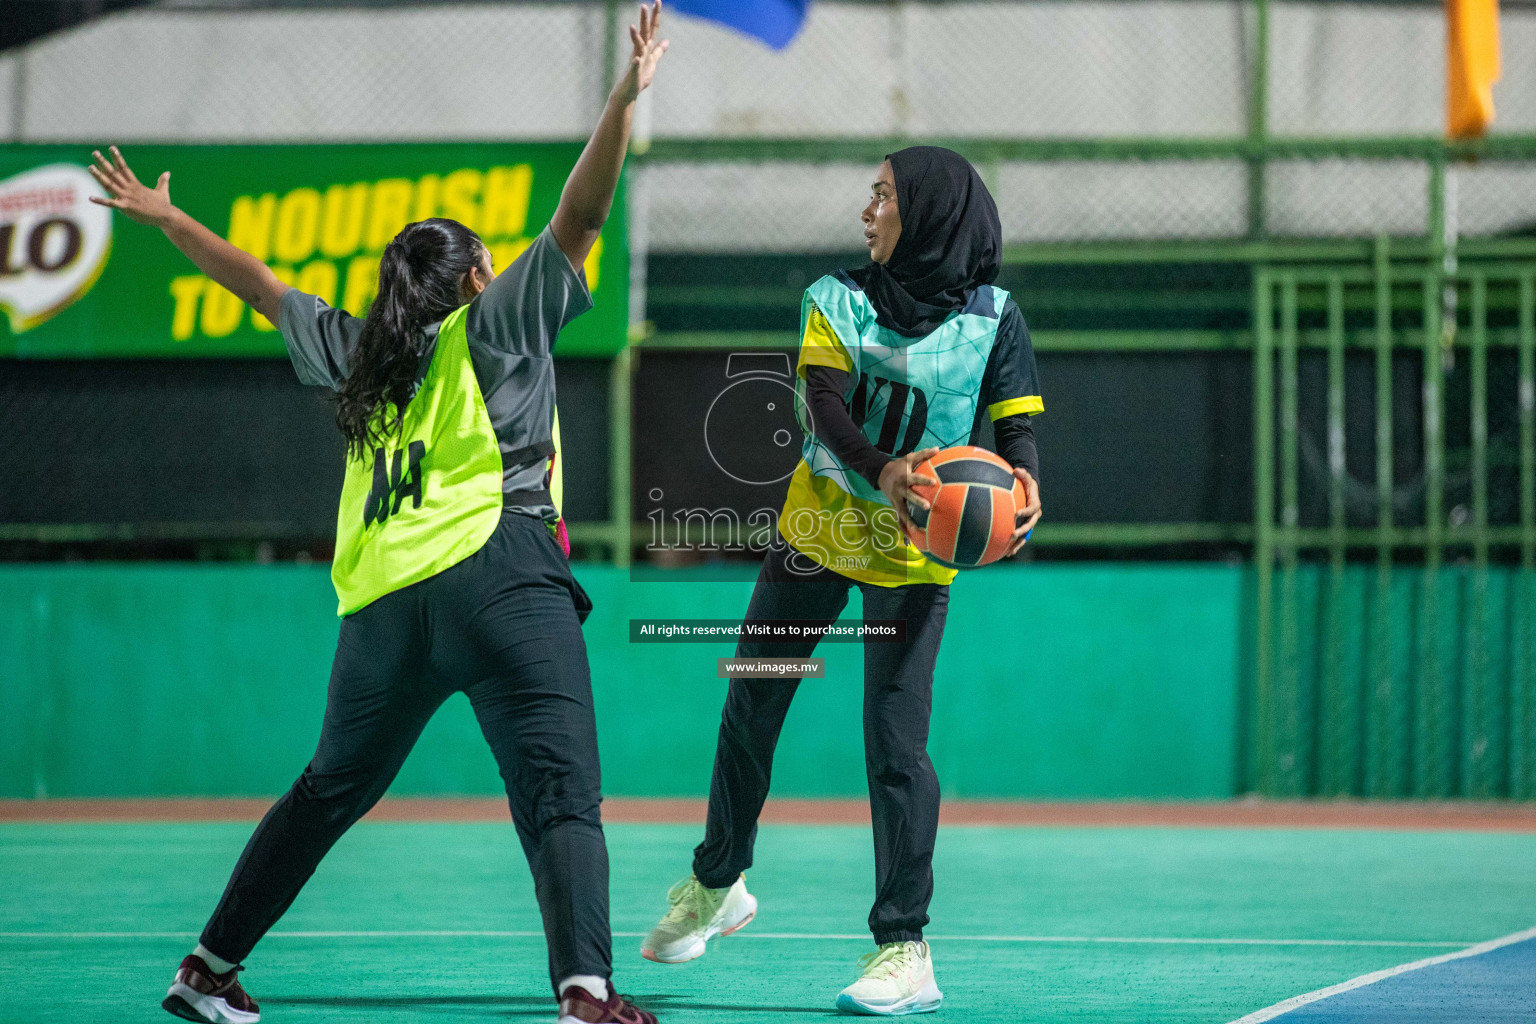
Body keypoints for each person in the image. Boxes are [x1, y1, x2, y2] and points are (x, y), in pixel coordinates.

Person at [86, 6, 669, 1023]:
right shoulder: (491, 328)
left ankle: (207, 969)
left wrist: (170, 221)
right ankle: (585, 992)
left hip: (385, 607)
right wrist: (623, 98)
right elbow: (580, 219)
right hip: (498, 574)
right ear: (477, 280)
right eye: (490, 259)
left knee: (326, 789)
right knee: (560, 789)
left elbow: (264, 290)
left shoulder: (361, 352)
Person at [639, 147, 1044, 1016]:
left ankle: (905, 948)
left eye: (886, 197)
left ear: (931, 215)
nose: (869, 211)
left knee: (896, 750)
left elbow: (1015, 425)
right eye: (871, 194)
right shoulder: (835, 299)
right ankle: (719, 884)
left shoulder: (995, 316)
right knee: (752, 706)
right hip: (817, 531)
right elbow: (821, 406)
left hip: (911, 557)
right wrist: (884, 469)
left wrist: (1024, 486)